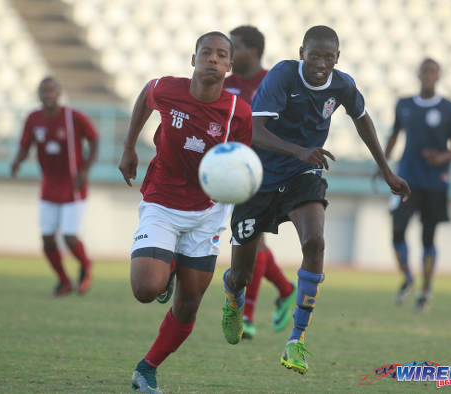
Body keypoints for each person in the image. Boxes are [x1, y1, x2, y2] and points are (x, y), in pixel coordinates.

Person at [220, 25, 410, 375]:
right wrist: (299, 150)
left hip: (302, 176)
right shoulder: (283, 76)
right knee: (242, 273)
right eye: (314, 55)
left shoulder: (343, 85)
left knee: (315, 241)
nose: (321, 63)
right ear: (301, 52)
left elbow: (362, 119)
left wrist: (386, 170)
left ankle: (297, 339)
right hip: (258, 177)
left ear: (337, 58)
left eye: (328, 56)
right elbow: (254, 131)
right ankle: (232, 295)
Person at [118, 31, 252, 394]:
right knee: (147, 288)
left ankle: (147, 368)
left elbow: (240, 161)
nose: (212, 58)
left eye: (220, 54)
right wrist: (129, 147)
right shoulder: (167, 89)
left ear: (229, 66)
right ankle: (168, 268)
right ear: (193, 59)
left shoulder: (238, 112)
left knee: (189, 304)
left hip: (207, 212)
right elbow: (147, 93)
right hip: (162, 202)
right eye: (205, 52)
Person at [224, 25, 296, 339]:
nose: (227, 54)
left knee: (251, 240)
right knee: (252, 241)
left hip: (262, 171)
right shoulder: (224, 85)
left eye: (233, 47)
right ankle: (284, 288)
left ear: (252, 51)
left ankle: (248, 315)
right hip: (228, 170)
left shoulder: (271, 83)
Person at [382, 58, 451, 311]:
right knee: (397, 229)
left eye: (433, 72)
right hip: (407, 180)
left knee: (428, 237)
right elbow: (395, 134)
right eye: (425, 72)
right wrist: (383, 165)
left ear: (438, 77)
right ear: (418, 75)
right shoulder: (404, 105)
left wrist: (442, 157)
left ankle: (425, 291)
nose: (428, 76)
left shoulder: (449, 109)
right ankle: (407, 278)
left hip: (435, 183)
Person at [11, 77, 98, 297]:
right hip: (49, 187)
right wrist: (17, 161)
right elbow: (25, 145)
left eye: (52, 91)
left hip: (73, 187)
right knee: (48, 239)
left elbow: (94, 139)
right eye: (44, 91)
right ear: (39, 94)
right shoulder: (33, 119)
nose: (48, 94)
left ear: (59, 93)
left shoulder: (73, 117)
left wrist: (85, 170)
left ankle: (86, 265)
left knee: (69, 237)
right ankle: (64, 281)